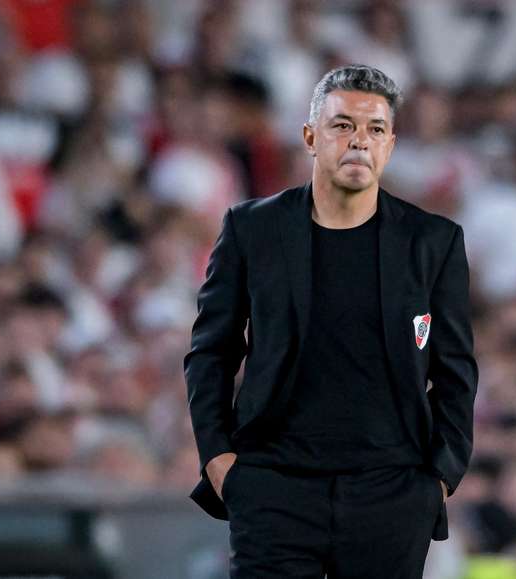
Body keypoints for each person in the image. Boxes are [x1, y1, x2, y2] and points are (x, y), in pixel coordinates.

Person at [184, 64, 479, 578]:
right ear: (310, 137)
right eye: (343, 125)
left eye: (376, 129)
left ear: (390, 145)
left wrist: (438, 478)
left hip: (391, 494)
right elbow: (212, 351)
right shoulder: (251, 228)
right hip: (273, 486)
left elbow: (455, 370)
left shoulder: (433, 242)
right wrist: (219, 460)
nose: (360, 141)